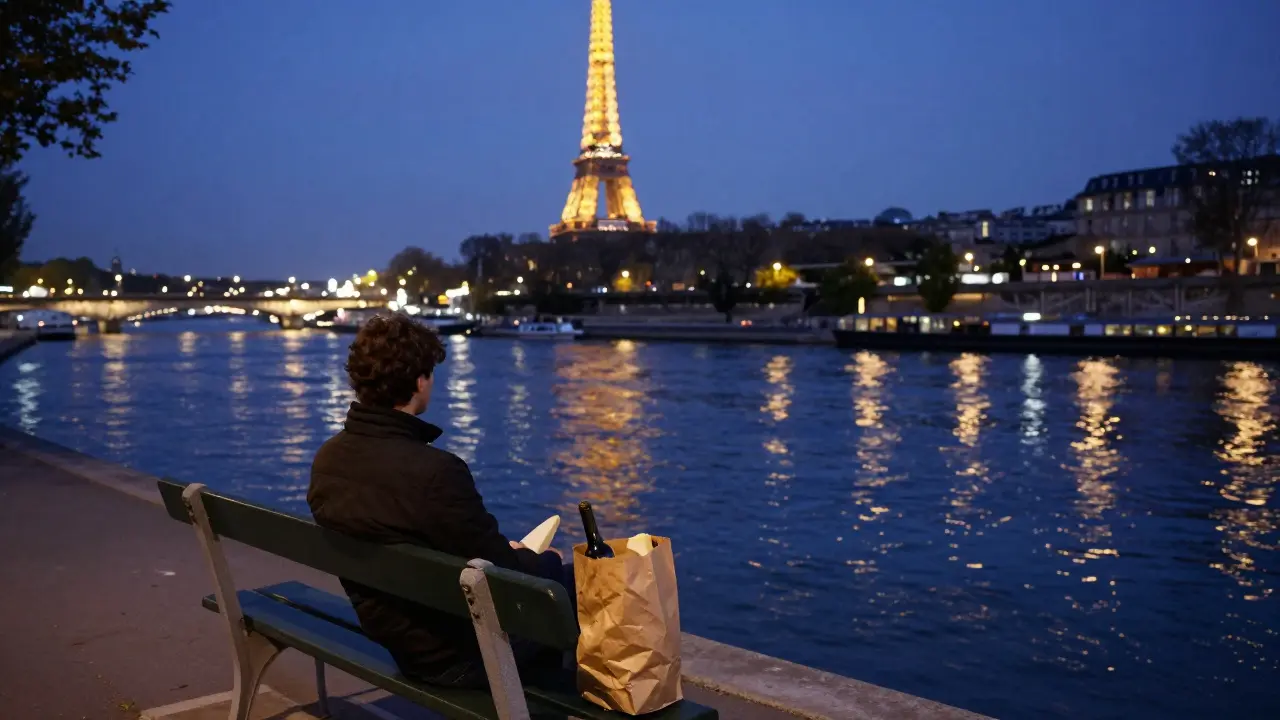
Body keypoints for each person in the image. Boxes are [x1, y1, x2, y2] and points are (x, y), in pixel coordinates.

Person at [308, 313, 569, 688]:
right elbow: (506, 572)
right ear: (419, 381)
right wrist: (546, 561)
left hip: (396, 635)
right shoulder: (436, 472)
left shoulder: (327, 459)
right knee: (572, 582)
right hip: (453, 653)